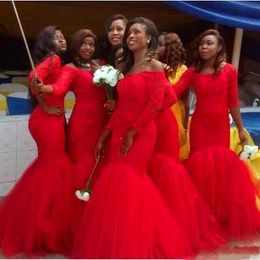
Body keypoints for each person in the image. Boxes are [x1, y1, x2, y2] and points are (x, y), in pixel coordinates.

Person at [71, 17, 194, 259]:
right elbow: (121, 107)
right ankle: (115, 243)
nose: (130, 36)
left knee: (131, 182)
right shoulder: (125, 68)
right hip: (119, 131)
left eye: (136, 32)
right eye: (130, 32)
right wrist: (104, 134)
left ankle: (136, 245)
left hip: (141, 133)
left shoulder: (155, 66)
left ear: (149, 38)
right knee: (115, 185)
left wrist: (134, 130)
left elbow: (159, 102)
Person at [174, 29, 260, 240]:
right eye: (202, 43)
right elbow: (175, 91)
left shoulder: (229, 70)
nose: (204, 47)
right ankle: (203, 220)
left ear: (219, 47)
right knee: (201, 172)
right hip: (200, 127)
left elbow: (232, 101)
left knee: (220, 172)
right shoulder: (193, 71)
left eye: (209, 43)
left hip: (220, 127)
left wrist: (240, 128)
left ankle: (220, 218)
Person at [0, 26, 74, 257]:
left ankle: (42, 224)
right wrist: (44, 105)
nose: (62, 39)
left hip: (46, 119)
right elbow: (34, 77)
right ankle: (44, 228)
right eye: (56, 36)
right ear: (47, 42)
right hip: (48, 120)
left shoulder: (55, 60)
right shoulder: (53, 59)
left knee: (48, 167)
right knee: (53, 167)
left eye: (63, 36)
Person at [36, 29, 107, 236]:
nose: (88, 48)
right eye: (84, 44)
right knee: (82, 168)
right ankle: (80, 225)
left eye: (91, 44)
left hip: (103, 123)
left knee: (100, 165)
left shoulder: (102, 66)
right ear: (76, 46)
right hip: (82, 125)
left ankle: (100, 219)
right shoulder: (69, 68)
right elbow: (59, 88)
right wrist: (46, 89)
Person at [157, 32, 189, 160]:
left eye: (160, 45)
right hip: (155, 114)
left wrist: (185, 128)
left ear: (170, 48)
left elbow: (186, 102)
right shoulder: (152, 66)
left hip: (174, 115)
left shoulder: (182, 70)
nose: (156, 48)